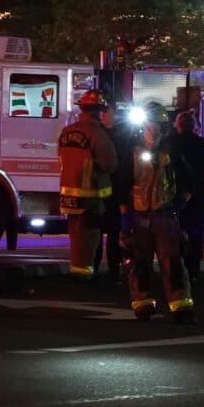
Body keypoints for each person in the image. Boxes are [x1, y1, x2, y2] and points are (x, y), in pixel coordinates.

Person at [118, 102, 194, 323]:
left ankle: (181, 308)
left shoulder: (173, 153)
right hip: (139, 218)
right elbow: (123, 186)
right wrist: (125, 221)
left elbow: (189, 183)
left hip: (165, 218)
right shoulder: (131, 153)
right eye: (150, 126)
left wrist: (176, 208)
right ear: (143, 128)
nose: (153, 130)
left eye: (158, 126)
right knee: (140, 263)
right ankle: (142, 306)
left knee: (173, 263)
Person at [58, 89, 118, 281]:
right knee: (89, 237)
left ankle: (77, 270)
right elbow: (110, 164)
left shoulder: (66, 132)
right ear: (98, 111)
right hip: (91, 197)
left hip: (68, 194)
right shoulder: (98, 134)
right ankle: (84, 275)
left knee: (75, 234)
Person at [170, 110, 204, 283]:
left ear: (178, 125)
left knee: (173, 233)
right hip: (200, 198)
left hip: (173, 198)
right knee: (196, 233)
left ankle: (175, 270)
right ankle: (193, 271)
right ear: (195, 127)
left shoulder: (168, 144)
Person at [93, 103, 127, 282]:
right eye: (101, 111)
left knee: (114, 234)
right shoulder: (96, 133)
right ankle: (94, 268)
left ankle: (114, 269)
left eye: (107, 111)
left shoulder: (123, 136)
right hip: (97, 191)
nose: (103, 115)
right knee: (96, 233)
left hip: (115, 192)